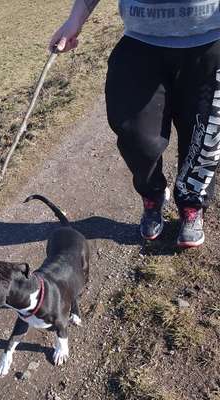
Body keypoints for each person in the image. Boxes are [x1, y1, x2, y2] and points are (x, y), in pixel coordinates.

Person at [50, 0, 220, 247]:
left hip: (210, 42)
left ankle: (191, 204)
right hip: (140, 44)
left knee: (202, 135)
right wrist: (74, 20)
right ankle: (153, 195)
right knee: (135, 137)